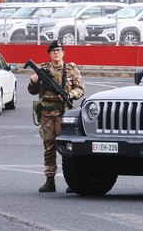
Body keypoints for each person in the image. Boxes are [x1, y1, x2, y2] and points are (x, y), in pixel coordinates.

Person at [28, 40, 85, 193]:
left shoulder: (71, 69)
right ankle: (49, 180)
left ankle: (73, 181)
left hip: (63, 114)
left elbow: (80, 89)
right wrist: (33, 81)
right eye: (53, 51)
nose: (56, 53)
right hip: (47, 114)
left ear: (63, 52)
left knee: (68, 148)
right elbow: (32, 91)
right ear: (50, 53)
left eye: (59, 50)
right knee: (49, 148)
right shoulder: (43, 69)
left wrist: (69, 94)